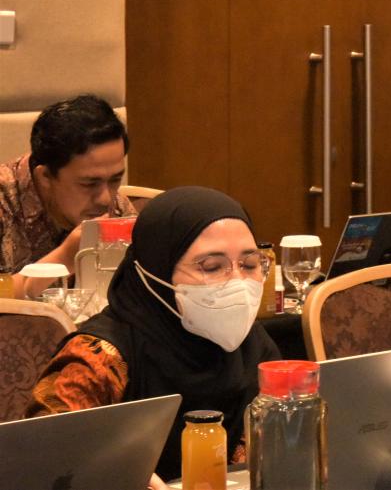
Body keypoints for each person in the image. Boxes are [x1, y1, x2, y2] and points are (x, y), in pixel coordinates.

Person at [27, 186, 281, 486]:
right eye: (212, 267)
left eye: (250, 265)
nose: (237, 281)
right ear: (155, 270)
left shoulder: (253, 344)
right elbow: (43, 457)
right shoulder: (99, 355)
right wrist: (117, 474)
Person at [0, 94, 135, 298]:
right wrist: (64, 258)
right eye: (89, 184)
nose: (106, 199)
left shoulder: (116, 208)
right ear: (45, 177)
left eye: (115, 180)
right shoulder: (4, 199)